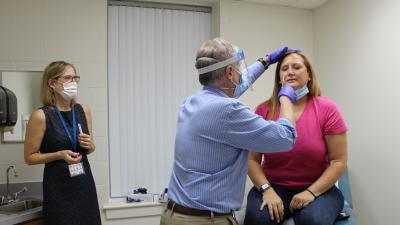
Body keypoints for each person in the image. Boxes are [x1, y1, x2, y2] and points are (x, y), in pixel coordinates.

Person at [160, 37, 298, 225]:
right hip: (204, 221)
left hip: (174, 215)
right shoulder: (228, 111)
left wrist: (265, 62)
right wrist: (286, 97)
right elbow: (285, 138)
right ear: (230, 71)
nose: (241, 72)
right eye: (238, 67)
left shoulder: (192, 102)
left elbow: (235, 87)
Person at [244, 51, 348, 225]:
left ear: (309, 75)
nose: (290, 71)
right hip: (274, 186)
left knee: (313, 220)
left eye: (296, 67)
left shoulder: (327, 109)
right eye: (284, 68)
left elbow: (338, 161)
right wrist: (266, 189)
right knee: (258, 220)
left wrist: (311, 192)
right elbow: (251, 159)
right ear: (279, 78)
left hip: (319, 187)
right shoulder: (264, 111)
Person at [24, 61, 102, 225]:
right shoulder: (41, 116)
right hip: (58, 188)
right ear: (52, 83)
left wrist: (91, 145)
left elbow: (91, 148)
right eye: (68, 78)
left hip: (84, 183)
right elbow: (30, 157)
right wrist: (59, 155)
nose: (73, 82)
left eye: (75, 78)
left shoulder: (83, 110)